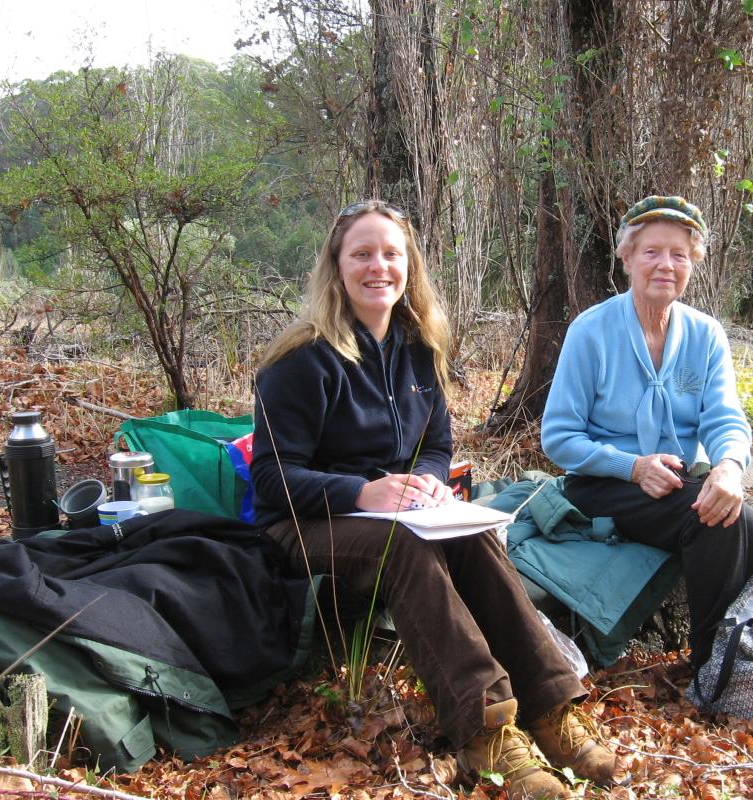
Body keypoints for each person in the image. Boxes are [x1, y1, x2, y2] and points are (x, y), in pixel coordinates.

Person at [251, 200, 616, 799]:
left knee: (471, 533)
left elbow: (437, 444)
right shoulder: (301, 361)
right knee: (403, 545)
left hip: (397, 513)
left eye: (392, 254)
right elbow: (270, 476)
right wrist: (362, 490)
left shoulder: (417, 347)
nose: (378, 267)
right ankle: (486, 730)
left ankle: (551, 710)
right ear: (337, 267)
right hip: (305, 523)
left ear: (409, 266)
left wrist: (426, 479)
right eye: (362, 254)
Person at [542, 195, 753, 673]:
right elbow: (559, 437)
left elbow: (724, 417)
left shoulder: (705, 334)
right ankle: (713, 668)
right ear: (627, 258)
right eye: (651, 252)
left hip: (676, 480)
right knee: (713, 523)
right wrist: (631, 466)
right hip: (601, 485)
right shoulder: (590, 332)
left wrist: (731, 467)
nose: (665, 265)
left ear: (692, 263)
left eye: (679, 254)